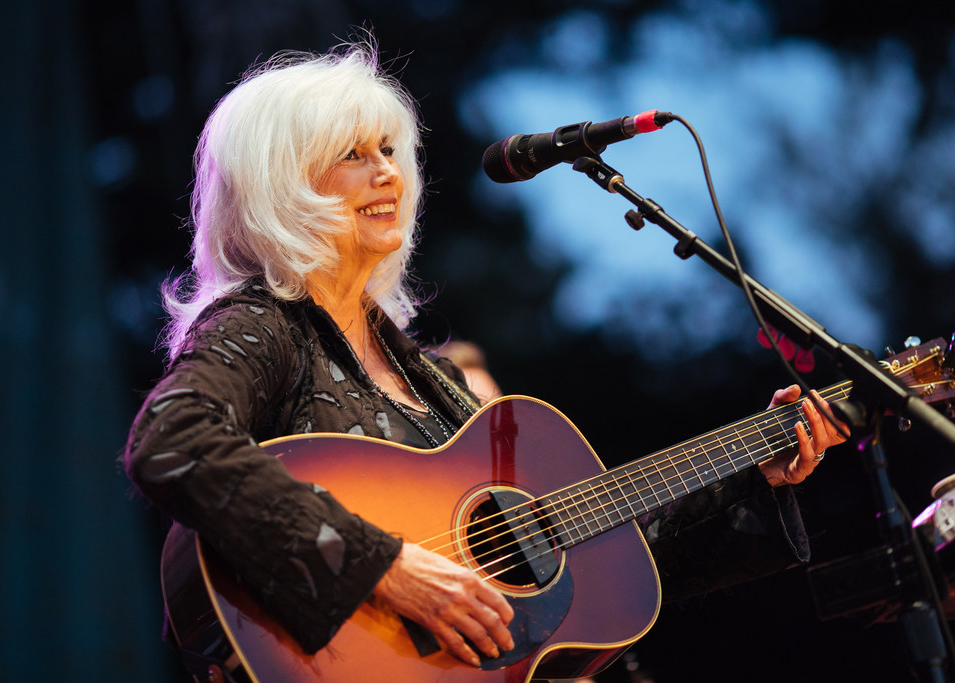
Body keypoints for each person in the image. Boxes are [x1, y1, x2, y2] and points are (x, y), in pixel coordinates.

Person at [123, 41, 847, 679]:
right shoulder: (263, 326)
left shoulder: (432, 382)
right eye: (353, 155)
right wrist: (386, 567)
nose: (388, 174)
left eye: (388, 150)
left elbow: (591, 562)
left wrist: (758, 469)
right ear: (282, 185)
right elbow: (174, 439)